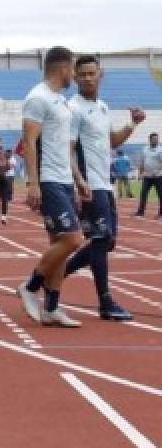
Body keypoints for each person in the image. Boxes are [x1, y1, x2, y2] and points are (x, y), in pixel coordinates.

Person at [52, 55, 140, 321]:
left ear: (100, 75)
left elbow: (111, 142)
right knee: (101, 241)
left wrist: (132, 124)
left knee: (108, 241)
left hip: (105, 183)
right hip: (90, 185)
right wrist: (79, 182)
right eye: (83, 74)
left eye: (93, 73)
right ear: (76, 78)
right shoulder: (73, 109)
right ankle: (105, 302)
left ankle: (47, 277)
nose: (88, 78)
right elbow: (67, 148)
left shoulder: (102, 107)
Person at [15, 47, 85, 328]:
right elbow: (29, 143)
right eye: (73, 71)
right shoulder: (37, 98)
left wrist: (77, 180)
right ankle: (30, 287)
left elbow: (64, 146)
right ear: (63, 69)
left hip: (64, 180)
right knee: (73, 239)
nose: (76, 77)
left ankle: (52, 308)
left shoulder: (60, 101)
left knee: (61, 245)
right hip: (49, 180)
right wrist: (33, 183)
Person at [135, 133, 162, 217]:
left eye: (157, 139)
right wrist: (140, 173)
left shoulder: (160, 150)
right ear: (150, 140)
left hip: (158, 176)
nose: (156, 140)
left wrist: (159, 172)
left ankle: (161, 213)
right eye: (154, 139)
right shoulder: (145, 149)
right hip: (147, 176)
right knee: (143, 193)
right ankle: (140, 212)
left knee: (160, 195)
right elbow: (141, 162)